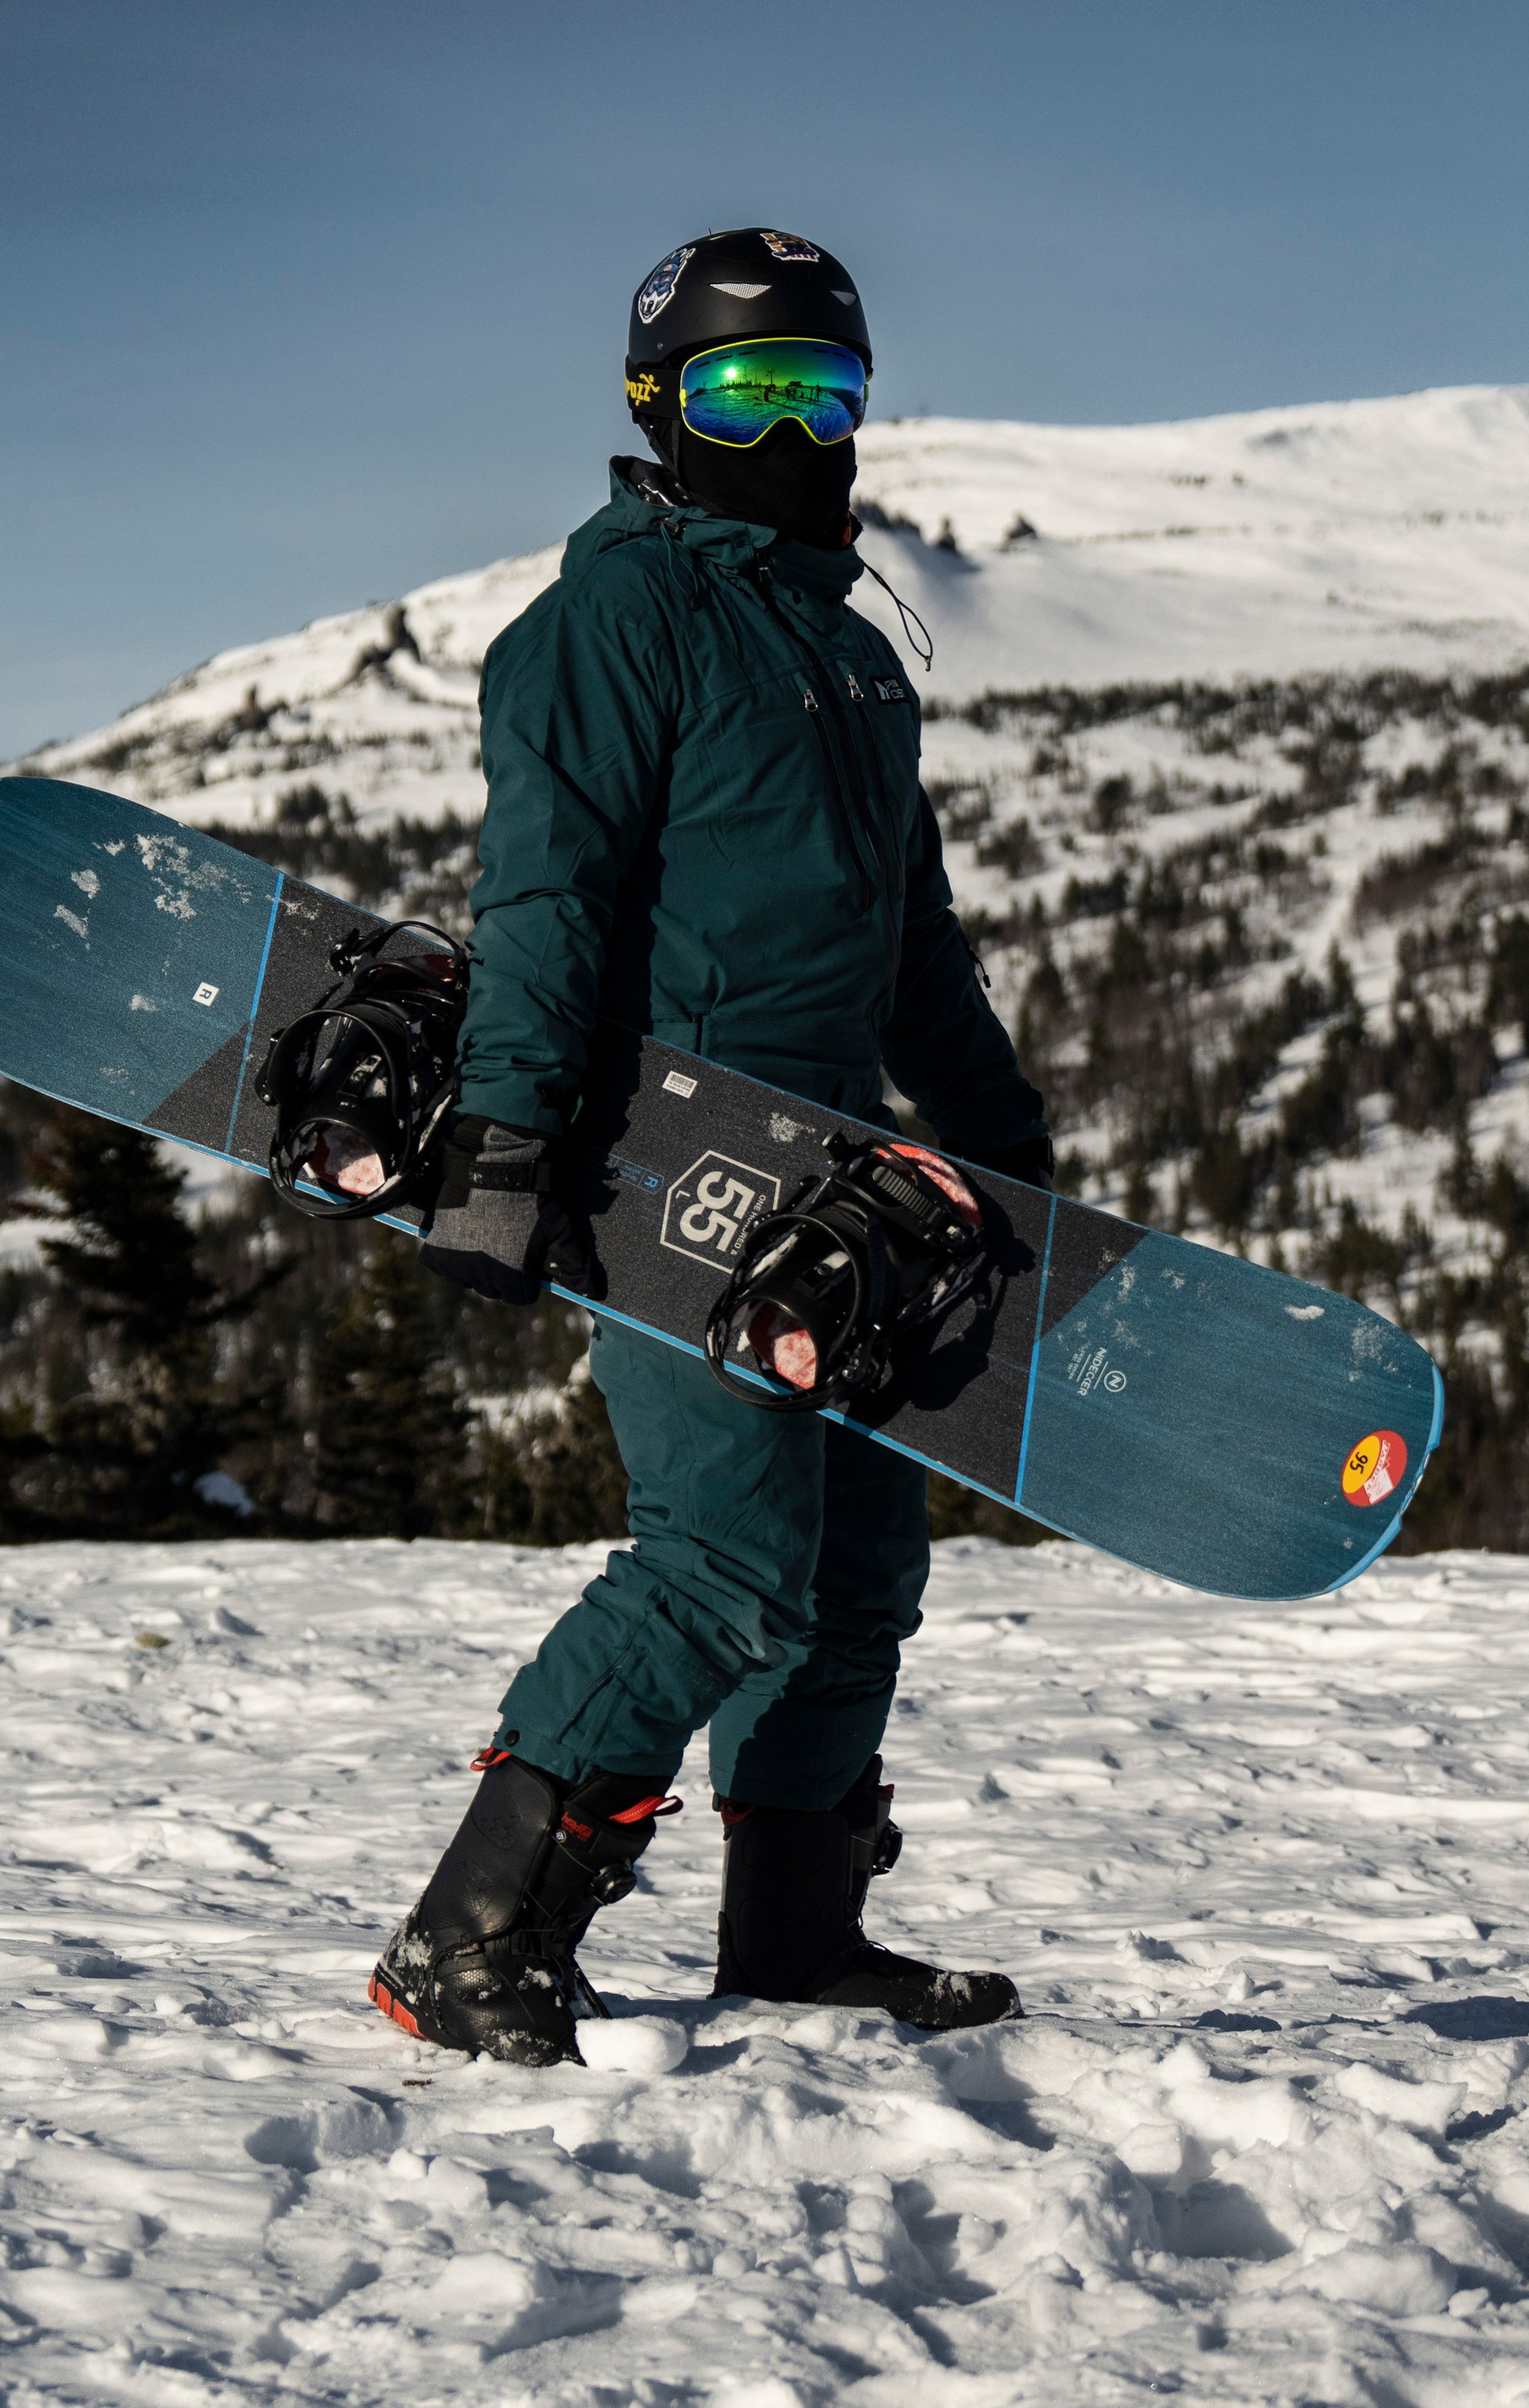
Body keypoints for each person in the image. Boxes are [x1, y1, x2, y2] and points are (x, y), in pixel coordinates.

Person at [367, 228, 1052, 2065]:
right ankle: (473, 1929)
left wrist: (1005, 1148)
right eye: (751, 391)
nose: (796, 427)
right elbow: (547, 902)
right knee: (719, 1559)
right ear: (657, 404)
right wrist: (503, 1149)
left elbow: (913, 943)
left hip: (841, 1182)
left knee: (854, 1574)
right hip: (665, 1154)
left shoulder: (846, 652)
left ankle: (796, 1931)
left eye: (825, 393)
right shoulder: (608, 621)